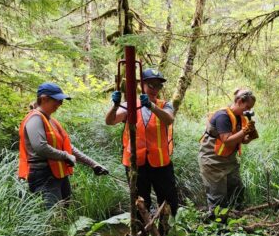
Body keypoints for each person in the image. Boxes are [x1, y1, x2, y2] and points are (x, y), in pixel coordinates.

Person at [18, 82, 109, 208]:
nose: (60, 104)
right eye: (57, 100)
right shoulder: (35, 118)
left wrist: (93, 164)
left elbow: (68, 147)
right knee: (53, 218)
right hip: (43, 175)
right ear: (44, 99)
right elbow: (40, 147)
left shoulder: (51, 120)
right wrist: (65, 156)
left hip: (58, 175)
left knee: (65, 214)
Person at [105, 68, 178, 216]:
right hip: (136, 163)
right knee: (140, 203)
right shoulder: (129, 105)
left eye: (158, 86)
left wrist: (151, 106)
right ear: (142, 85)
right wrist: (115, 105)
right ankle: (141, 234)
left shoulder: (165, 105)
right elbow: (110, 121)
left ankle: (166, 233)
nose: (155, 89)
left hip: (161, 163)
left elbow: (168, 119)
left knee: (169, 201)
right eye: (151, 85)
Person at [198, 89, 258, 215]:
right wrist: (245, 131)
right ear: (239, 101)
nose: (248, 110)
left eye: (250, 108)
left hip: (229, 160)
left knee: (237, 191)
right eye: (247, 107)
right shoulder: (222, 116)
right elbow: (227, 141)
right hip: (212, 161)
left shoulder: (241, 118)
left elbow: (242, 140)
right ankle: (218, 227)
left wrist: (250, 136)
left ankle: (237, 219)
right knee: (218, 197)